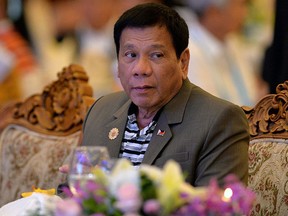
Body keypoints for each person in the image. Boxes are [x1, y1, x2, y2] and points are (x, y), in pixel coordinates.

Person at [81, 2, 249, 187]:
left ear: (183, 62)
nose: (140, 69)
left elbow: (216, 208)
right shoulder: (100, 110)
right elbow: (70, 191)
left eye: (156, 55)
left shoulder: (219, 120)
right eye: (130, 55)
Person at [177, 0, 267, 107]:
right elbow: (206, 108)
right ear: (214, 12)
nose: (245, 13)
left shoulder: (232, 41)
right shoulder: (190, 51)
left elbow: (254, 94)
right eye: (240, 6)